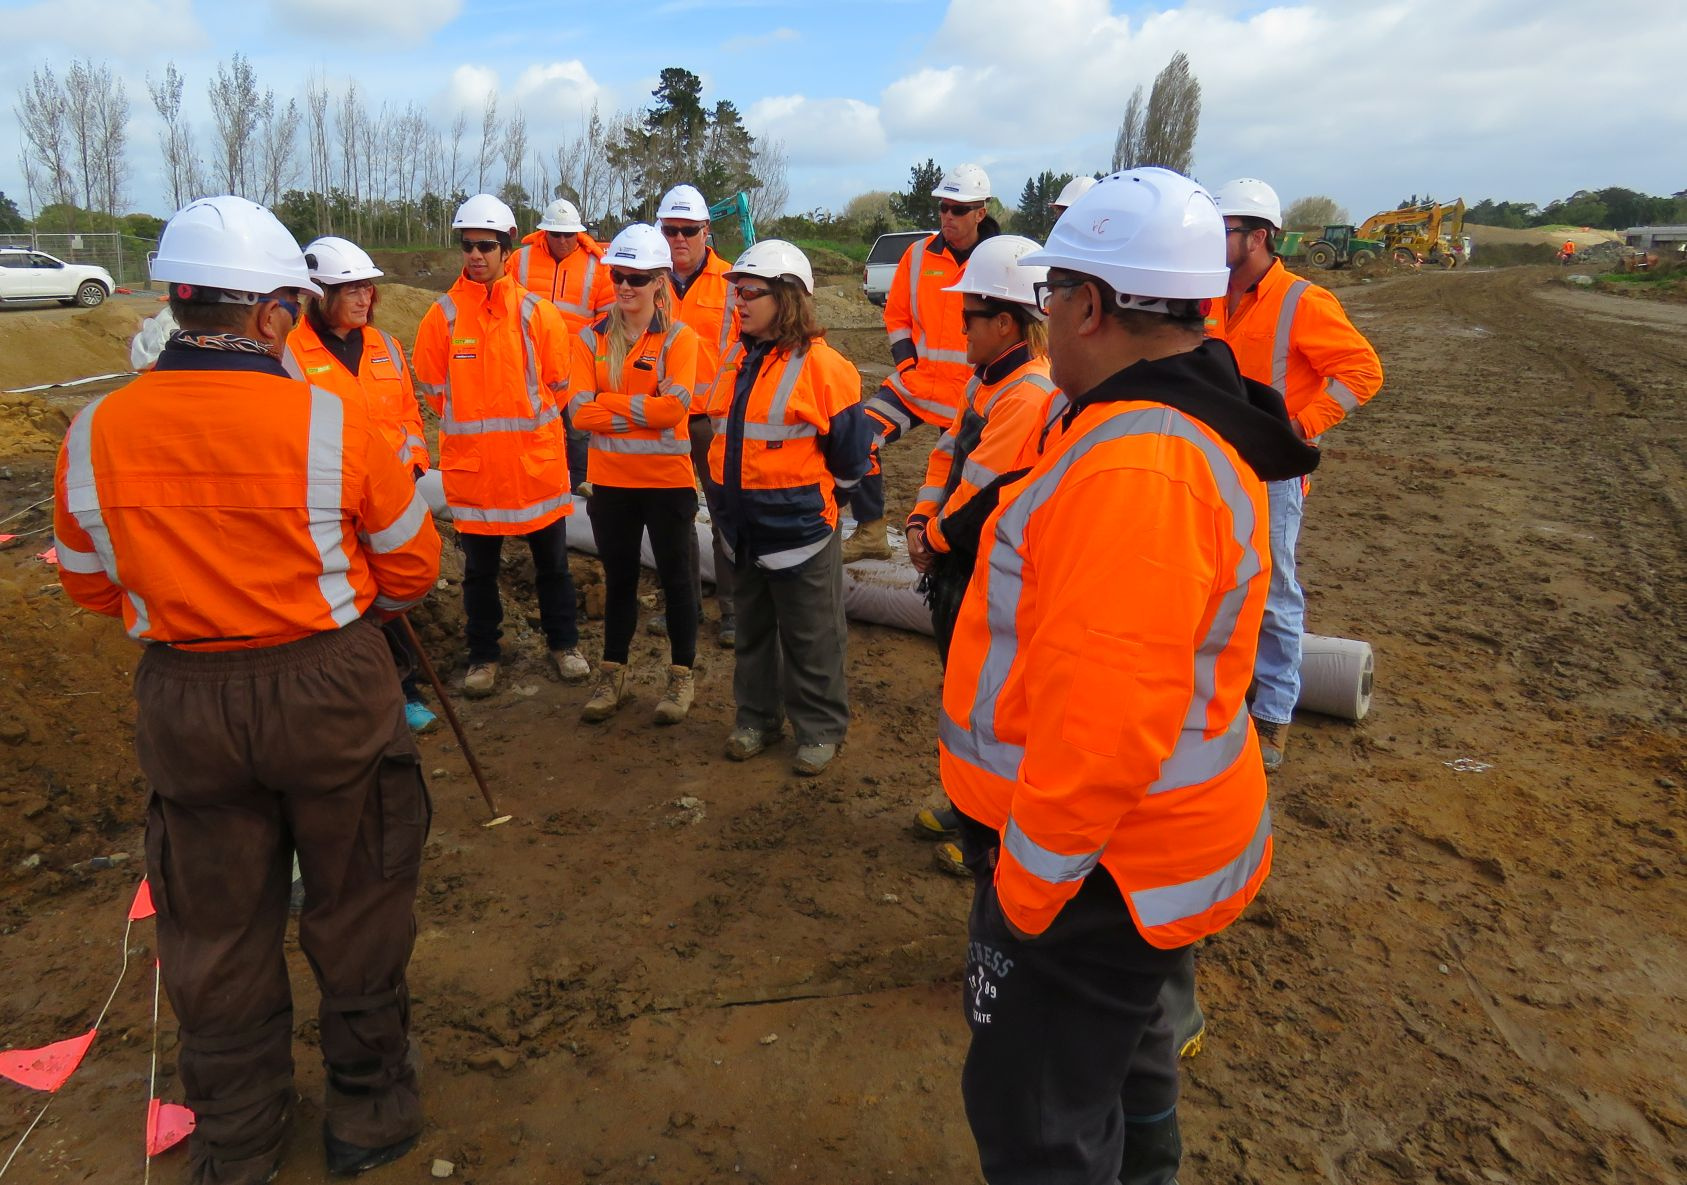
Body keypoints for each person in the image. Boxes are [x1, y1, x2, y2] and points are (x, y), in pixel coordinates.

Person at [941, 168, 1318, 1185]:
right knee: (1125, 1050)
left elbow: (1101, 723)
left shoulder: (1137, 466)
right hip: (1141, 850)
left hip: (1099, 863)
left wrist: (1026, 893)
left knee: (1036, 1122)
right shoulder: (1149, 424)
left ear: (1091, 306)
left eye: (1050, 295)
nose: (1043, 317)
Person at [53, 195, 441, 1182]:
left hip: (186, 701)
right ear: (272, 313)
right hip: (327, 690)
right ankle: (367, 1108)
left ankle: (238, 1137)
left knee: (213, 926)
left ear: (179, 303)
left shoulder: (97, 430)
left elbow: (89, 582)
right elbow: (411, 571)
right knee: (356, 899)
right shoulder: (333, 421)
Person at [901, 234, 1066, 875]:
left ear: (1004, 322)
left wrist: (932, 541)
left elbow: (981, 496)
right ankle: (969, 804)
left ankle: (993, 833)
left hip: (983, 567)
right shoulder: (988, 380)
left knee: (992, 704)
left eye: (967, 315)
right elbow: (946, 454)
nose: (957, 324)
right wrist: (920, 518)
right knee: (964, 694)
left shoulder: (1026, 393)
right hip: (957, 559)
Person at [1209, 178, 1384, 773]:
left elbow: (1362, 371)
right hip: (1210, 463)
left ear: (1257, 237)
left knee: (1274, 593)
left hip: (1272, 475)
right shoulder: (1209, 296)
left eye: (1224, 228)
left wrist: (1299, 429)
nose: (1214, 238)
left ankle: (1274, 715)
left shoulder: (1302, 300)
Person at [705, 240, 871, 776]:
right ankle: (756, 718)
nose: (740, 302)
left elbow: (851, 458)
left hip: (800, 532)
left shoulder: (826, 368)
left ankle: (820, 728)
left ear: (788, 297)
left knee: (812, 638)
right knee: (751, 634)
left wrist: (821, 504)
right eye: (737, 293)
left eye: (751, 293)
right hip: (742, 530)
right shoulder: (736, 357)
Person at [412, 194, 588, 698]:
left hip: (534, 470)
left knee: (553, 565)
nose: (475, 255)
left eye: (485, 246)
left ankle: (564, 644)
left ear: (507, 249)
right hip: (477, 474)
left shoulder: (538, 315)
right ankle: (483, 656)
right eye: (467, 245)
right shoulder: (443, 317)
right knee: (478, 574)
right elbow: (433, 387)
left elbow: (559, 384)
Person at [284, 235, 438, 734]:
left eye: (368, 288)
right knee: (350, 596)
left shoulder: (386, 346)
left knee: (392, 591)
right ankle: (380, 694)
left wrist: (413, 463)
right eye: (350, 289)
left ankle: (404, 688)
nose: (364, 298)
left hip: (390, 498)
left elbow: (410, 418)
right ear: (319, 294)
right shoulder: (290, 353)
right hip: (328, 502)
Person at [567, 223, 703, 725]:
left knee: (678, 582)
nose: (625, 286)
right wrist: (642, 406)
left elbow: (675, 411)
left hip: (668, 483)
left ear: (659, 282)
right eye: (619, 276)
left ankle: (681, 677)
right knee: (619, 579)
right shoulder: (591, 338)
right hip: (612, 483)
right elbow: (578, 413)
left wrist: (609, 402)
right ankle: (613, 675)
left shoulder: (679, 339)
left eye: (637, 278)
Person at [844, 163, 1000, 563]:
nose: (948, 215)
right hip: (916, 385)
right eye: (943, 207)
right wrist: (907, 363)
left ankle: (953, 551)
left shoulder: (997, 263)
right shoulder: (918, 256)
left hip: (970, 397)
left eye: (958, 209)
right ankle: (872, 531)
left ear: (980, 212)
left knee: (967, 477)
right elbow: (896, 315)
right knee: (858, 437)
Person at [656, 183, 741, 647]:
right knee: (674, 517)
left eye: (689, 230)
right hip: (661, 421)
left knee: (726, 516)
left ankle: (732, 611)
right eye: (670, 231)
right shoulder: (648, 281)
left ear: (707, 231)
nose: (679, 240)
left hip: (714, 421)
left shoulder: (733, 283)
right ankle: (682, 607)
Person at [509, 198, 615, 489]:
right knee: (531, 433)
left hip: (575, 367)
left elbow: (608, 319)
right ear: (545, 232)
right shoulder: (521, 260)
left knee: (579, 433)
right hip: (527, 367)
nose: (563, 240)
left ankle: (581, 495)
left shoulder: (597, 266)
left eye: (569, 234)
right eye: (556, 234)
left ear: (578, 234)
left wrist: (593, 359)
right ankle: (533, 493)